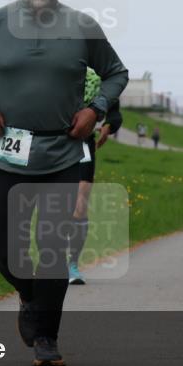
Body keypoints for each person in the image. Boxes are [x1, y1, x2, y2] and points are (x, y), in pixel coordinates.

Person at [0, 0, 129, 366]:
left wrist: (95, 109)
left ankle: (47, 337)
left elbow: (115, 74)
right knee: (8, 256)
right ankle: (31, 299)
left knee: (52, 249)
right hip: (9, 153)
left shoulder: (82, 26)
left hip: (63, 153)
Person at [67, 67, 123, 285]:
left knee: (79, 206)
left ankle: (72, 264)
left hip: (83, 144)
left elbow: (115, 112)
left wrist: (108, 126)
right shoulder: (56, 64)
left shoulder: (99, 75)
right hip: (51, 142)